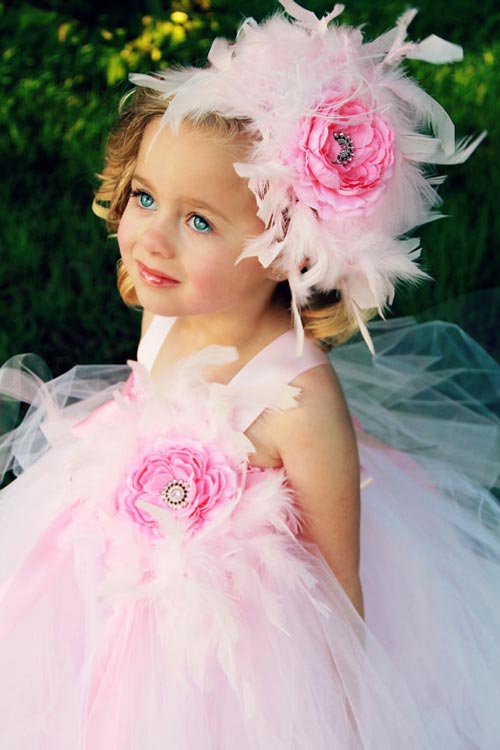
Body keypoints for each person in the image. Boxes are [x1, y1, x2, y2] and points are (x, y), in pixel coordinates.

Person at [0, 1, 499, 747]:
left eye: (199, 221)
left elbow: (340, 585)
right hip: (116, 566)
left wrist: (346, 719)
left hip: (246, 642)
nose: (152, 239)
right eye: (145, 197)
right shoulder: (167, 307)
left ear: (287, 250)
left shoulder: (301, 401)